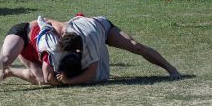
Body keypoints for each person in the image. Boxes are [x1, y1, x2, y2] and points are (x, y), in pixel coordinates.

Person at [48, 15, 181, 84]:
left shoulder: (90, 43)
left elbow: (92, 73)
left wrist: (68, 81)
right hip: (87, 27)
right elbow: (51, 21)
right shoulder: (64, 33)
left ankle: (172, 69)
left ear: (79, 49)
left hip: (103, 27)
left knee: (136, 46)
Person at [0, 17, 62, 94]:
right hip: (23, 34)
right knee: (5, 60)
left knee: (42, 79)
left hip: (34, 50)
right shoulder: (65, 27)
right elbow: (45, 20)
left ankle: (9, 72)